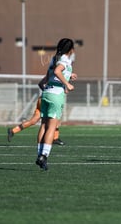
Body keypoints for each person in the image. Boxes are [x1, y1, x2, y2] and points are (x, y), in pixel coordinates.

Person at [35, 38, 76, 170]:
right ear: (71, 50)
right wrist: (67, 84)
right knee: (52, 127)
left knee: (43, 125)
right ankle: (44, 156)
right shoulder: (65, 60)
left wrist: (68, 76)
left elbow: (44, 81)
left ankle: (39, 155)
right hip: (56, 95)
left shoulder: (54, 59)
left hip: (46, 93)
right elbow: (58, 71)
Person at [6, 74, 73, 145]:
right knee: (53, 119)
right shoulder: (55, 73)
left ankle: (13, 130)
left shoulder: (56, 73)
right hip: (48, 100)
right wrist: (49, 91)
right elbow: (42, 83)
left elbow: (43, 83)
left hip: (43, 99)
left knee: (34, 121)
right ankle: (55, 138)